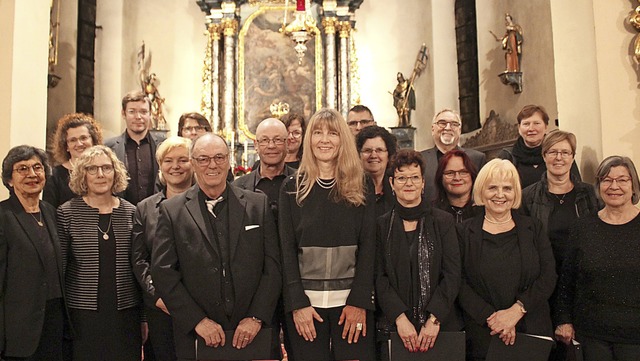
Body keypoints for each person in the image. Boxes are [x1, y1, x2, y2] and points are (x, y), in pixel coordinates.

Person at [151, 133, 281, 360]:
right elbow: (163, 273)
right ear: (192, 163)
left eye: (219, 157)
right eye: (203, 159)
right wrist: (197, 321)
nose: (212, 165)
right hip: (198, 335)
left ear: (229, 160)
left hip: (251, 331)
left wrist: (256, 317)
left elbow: (272, 267)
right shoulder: (172, 211)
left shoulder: (257, 204)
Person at [279, 108, 376, 361]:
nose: (324, 140)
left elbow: (369, 246)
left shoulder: (361, 183)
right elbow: (286, 250)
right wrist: (297, 304)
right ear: (308, 139)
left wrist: (359, 301)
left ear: (342, 139)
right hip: (306, 306)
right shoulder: (292, 187)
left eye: (332, 133)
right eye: (318, 133)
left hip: (351, 304)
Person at [456, 159, 556, 361]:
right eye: (493, 187)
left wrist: (516, 311)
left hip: (531, 329)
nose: (500, 194)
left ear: (516, 192)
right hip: (485, 332)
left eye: (507, 188)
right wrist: (494, 320)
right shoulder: (463, 232)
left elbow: (548, 276)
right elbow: (458, 282)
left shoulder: (533, 228)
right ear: (482, 191)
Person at [374, 149, 461, 361]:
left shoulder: (444, 221)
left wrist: (435, 319)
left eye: (414, 177)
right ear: (392, 184)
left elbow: (452, 274)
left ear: (423, 182)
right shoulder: (381, 225)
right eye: (401, 178)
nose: (409, 183)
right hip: (395, 328)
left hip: (439, 328)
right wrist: (400, 319)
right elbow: (379, 277)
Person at [58, 145, 142, 360]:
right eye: (92, 169)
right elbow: (60, 269)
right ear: (82, 175)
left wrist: (143, 318)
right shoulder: (67, 213)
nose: (100, 175)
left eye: (107, 168)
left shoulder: (131, 212)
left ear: (116, 173)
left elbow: (139, 269)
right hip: (83, 315)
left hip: (125, 313)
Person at [555, 156, 640, 361]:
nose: (614, 186)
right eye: (607, 180)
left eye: (622, 180)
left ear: (634, 186)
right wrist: (563, 319)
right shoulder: (582, 227)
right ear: (599, 185)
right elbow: (567, 280)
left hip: (635, 336)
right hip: (591, 334)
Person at [0, 145, 66, 360]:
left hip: (54, 323)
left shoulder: (51, 212)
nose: (32, 174)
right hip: (19, 330)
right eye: (22, 169)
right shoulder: (3, 216)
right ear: (9, 180)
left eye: (37, 167)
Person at [132, 136, 193, 361]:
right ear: (160, 166)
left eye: (182, 160)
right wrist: (157, 296)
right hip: (159, 307)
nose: (175, 166)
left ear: (193, 163)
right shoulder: (145, 208)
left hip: (199, 306)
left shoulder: (205, 202)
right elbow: (139, 259)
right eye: (168, 161)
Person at [498, 104, 580, 189]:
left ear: (546, 126)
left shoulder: (561, 153)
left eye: (536, 123)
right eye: (526, 124)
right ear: (519, 128)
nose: (531, 128)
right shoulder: (507, 155)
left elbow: (576, 185)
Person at [105, 90, 164, 205]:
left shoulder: (163, 145)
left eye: (143, 111)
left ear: (150, 114)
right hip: (121, 213)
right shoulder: (108, 147)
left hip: (157, 212)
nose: (138, 117)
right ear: (123, 113)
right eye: (132, 112)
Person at [234, 118, 296, 224]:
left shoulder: (303, 182)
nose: (271, 146)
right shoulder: (237, 188)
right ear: (256, 145)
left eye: (278, 140)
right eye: (264, 140)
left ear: (288, 144)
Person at [421, 109, 486, 201]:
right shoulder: (420, 159)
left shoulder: (476, 158)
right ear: (433, 129)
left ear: (459, 130)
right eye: (442, 123)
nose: (448, 128)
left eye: (454, 124)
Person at [44, 113, 103, 208]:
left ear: (93, 141)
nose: (79, 144)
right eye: (73, 140)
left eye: (83, 138)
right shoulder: (54, 176)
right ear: (66, 146)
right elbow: (50, 212)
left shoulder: (105, 171)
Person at [356, 125, 398, 217]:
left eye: (379, 150)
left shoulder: (397, 187)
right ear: (359, 155)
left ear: (388, 155)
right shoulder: (350, 190)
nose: (373, 155)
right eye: (367, 150)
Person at [433, 149, 480, 223]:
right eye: (450, 173)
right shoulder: (431, 213)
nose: (457, 178)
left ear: (472, 176)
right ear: (440, 178)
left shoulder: (484, 212)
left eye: (463, 172)